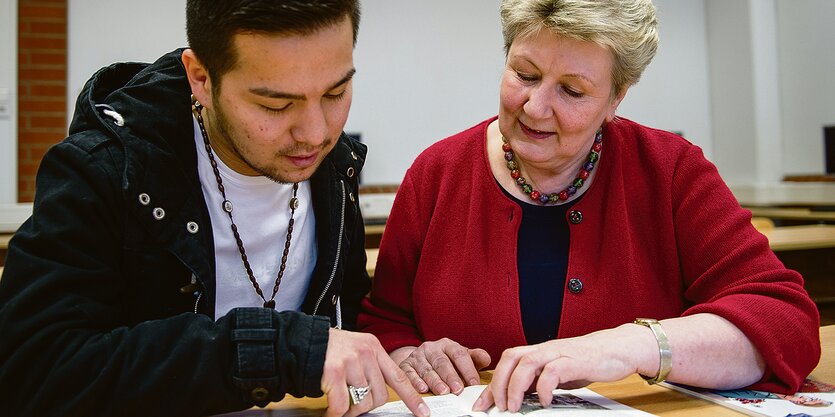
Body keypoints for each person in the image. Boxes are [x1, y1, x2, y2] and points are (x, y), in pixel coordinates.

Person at [358, 0, 821, 413]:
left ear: (615, 99)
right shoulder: (436, 173)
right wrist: (409, 354)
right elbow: (384, 322)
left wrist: (632, 345)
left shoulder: (671, 171)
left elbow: (786, 323)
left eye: (572, 91)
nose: (536, 108)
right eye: (525, 74)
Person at [0, 1, 429, 417]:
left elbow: (345, 323)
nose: (315, 133)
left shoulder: (336, 168)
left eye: (336, 92)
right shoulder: (102, 172)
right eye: (276, 105)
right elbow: (35, 373)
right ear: (201, 79)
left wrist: (402, 351)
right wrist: (272, 349)